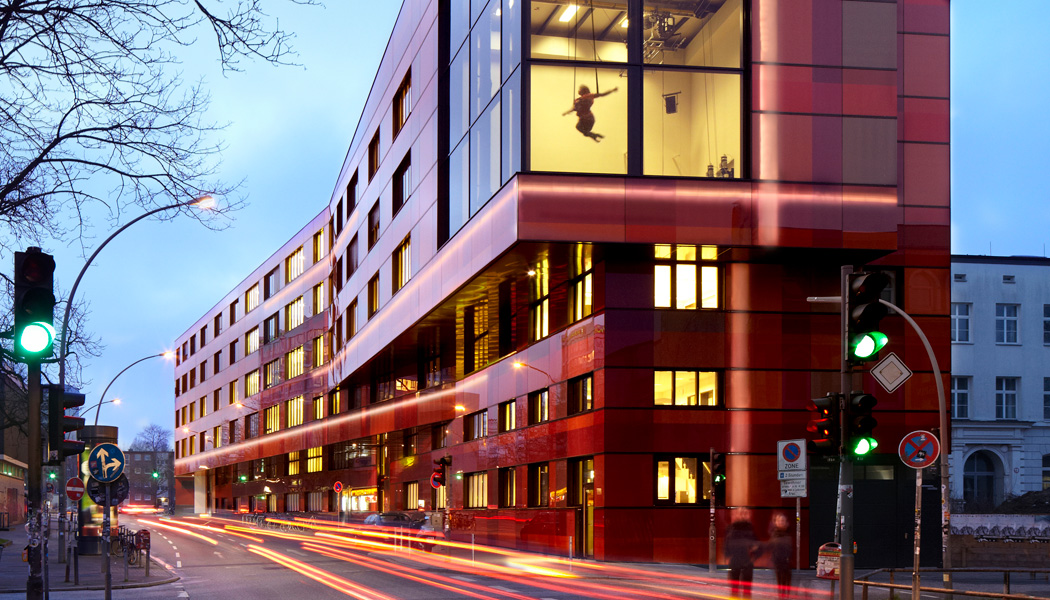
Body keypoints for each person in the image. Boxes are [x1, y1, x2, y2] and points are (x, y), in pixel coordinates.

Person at [725, 510, 760, 599]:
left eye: (744, 514)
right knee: (735, 588)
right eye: (740, 514)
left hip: (746, 561)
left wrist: (754, 555)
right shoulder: (731, 528)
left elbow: (757, 544)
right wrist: (727, 556)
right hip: (736, 561)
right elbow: (726, 544)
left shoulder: (750, 529)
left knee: (746, 589)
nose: (742, 516)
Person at [768, 512, 794, 598]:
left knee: (787, 580)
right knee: (780, 580)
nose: (780, 522)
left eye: (782, 520)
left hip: (787, 561)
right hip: (778, 560)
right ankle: (781, 596)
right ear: (775, 522)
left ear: (786, 522)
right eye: (778, 520)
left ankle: (786, 596)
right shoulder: (774, 533)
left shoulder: (789, 533)